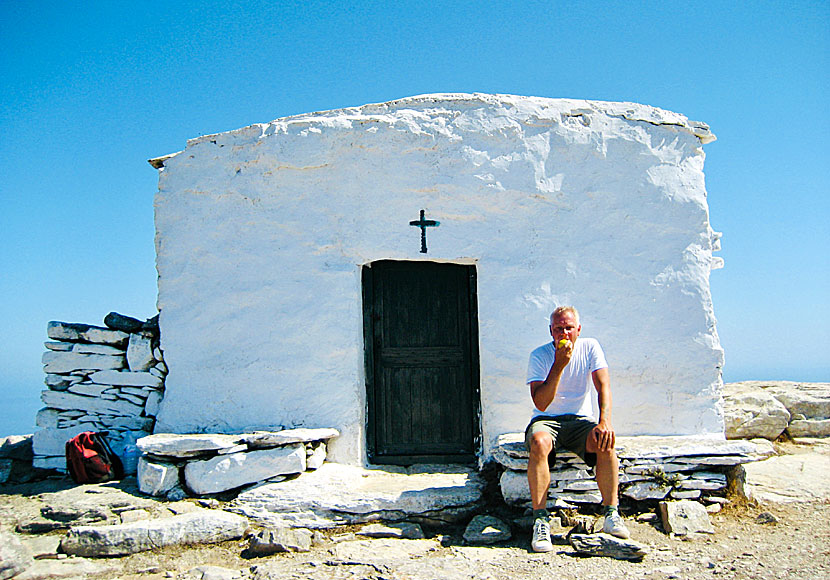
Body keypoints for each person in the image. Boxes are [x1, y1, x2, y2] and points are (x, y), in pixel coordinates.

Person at [525, 306, 629, 552]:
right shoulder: (539, 356)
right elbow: (541, 402)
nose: (564, 333)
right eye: (559, 329)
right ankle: (541, 520)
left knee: (605, 441)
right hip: (547, 419)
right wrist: (560, 364)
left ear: (578, 329)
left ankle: (611, 514)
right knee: (539, 443)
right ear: (551, 331)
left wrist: (605, 421)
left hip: (580, 420)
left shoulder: (590, 347)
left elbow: (603, 386)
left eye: (569, 328)